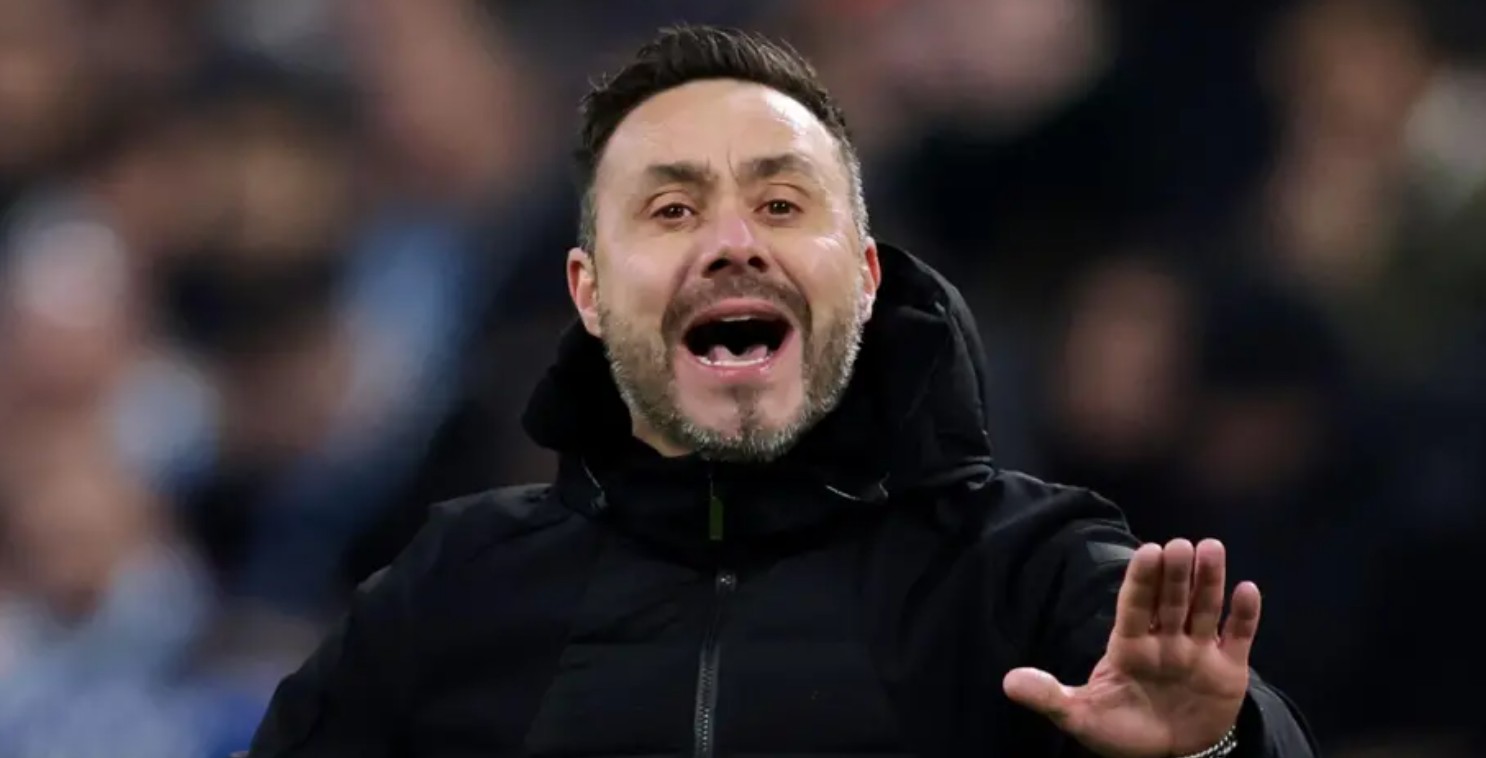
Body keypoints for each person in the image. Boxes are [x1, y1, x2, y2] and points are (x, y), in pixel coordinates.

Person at [245, 25, 1317, 758]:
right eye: (670, 210)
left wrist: (1212, 749)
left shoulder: (1028, 572)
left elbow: (1239, 730)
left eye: (781, 203)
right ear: (589, 292)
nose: (731, 244)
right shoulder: (451, 591)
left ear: (866, 275)